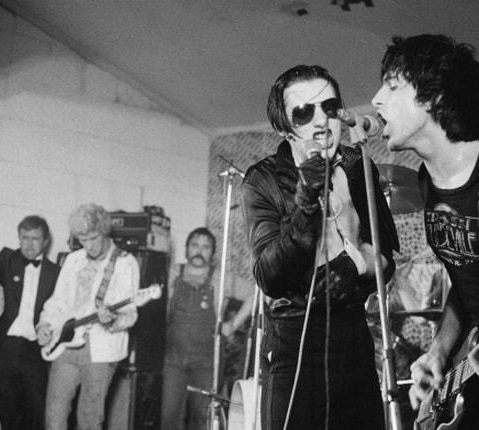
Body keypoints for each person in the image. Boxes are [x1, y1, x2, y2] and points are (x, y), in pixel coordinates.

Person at [371, 34, 479, 429]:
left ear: (433, 98)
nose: (375, 100)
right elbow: (465, 284)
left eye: (391, 86)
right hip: (476, 365)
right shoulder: (428, 179)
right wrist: (439, 352)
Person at [241, 64, 400, 430]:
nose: (320, 121)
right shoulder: (263, 180)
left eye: (329, 108)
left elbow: (386, 258)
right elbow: (269, 277)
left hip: (354, 333)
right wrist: (305, 203)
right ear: (284, 127)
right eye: (303, 112)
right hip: (295, 338)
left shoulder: (359, 166)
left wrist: (354, 263)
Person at [35, 203, 140, 430]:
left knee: (89, 420)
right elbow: (57, 301)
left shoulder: (125, 263)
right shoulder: (73, 260)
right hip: (65, 344)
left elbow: (130, 314)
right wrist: (44, 324)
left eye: (93, 238)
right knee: (53, 417)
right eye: (83, 240)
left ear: (104, 232)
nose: (89, 245)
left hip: (100, 350)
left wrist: (113, 319)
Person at [161, 227, 254, 430]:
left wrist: (232, 325)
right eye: (195, 245)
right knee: (168, 415)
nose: (199, 251)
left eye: (206, 247)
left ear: (213, 253)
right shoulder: (172, 273)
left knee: (201, 416)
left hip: (207, 362)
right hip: (173, 360)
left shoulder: (222, 277)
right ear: (186, 249)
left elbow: (254, 293)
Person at [0, 216, 60, 430]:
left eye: (35, 239)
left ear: (45, 241)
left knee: (36, 411)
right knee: (3, 412)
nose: (29, 244)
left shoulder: (56, 273)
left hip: (35, 351)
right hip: (5, 348)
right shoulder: (6, 259)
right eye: (25, 238)